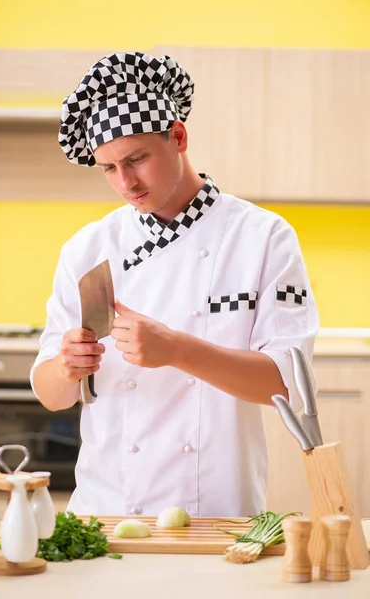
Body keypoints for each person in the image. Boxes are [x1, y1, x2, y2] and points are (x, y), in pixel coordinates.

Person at [31, 51, 319, 517]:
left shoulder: (262, 237)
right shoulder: (89, 248)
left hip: (218, 512)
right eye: (108, 168)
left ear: (178, 136)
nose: (125, 182)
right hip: (105, 511)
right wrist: (67, 367)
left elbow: (287, 387)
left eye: (136, 159)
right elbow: (49, 393)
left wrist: (179, 350)